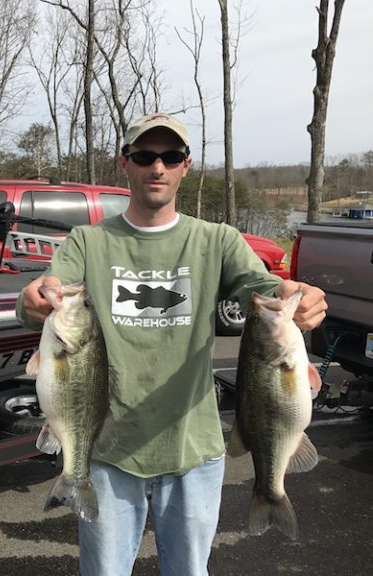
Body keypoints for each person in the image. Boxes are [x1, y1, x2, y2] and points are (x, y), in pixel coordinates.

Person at [16, 113, 327, 576]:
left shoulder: (217, 240)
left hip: (193, 451)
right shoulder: (88, 240)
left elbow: (261, 287)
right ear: (125, 164)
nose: (157, 167)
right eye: (144, 156)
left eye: (170, 156)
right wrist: (35, 296)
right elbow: (51, 287)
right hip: (106, 448)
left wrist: (295, 296)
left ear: (186, 165)